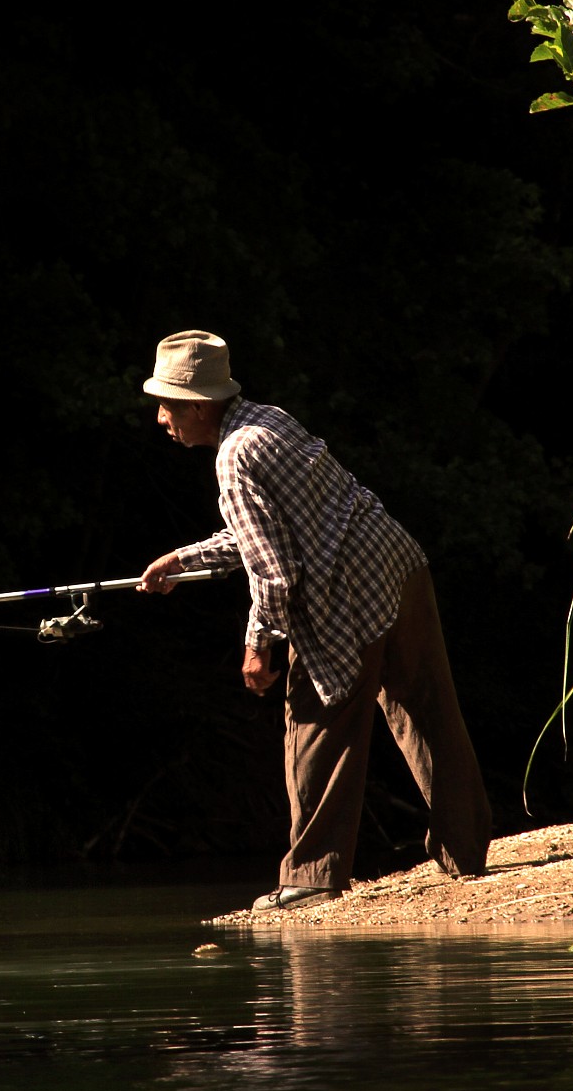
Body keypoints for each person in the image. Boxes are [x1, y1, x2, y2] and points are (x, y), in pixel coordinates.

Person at [135, 329, 492, 910]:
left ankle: (310, 878)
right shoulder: (268, 421)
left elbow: (275, 570)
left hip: (346, 593)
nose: (161, 418)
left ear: (199, 406)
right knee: (426, 707)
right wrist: (183, 560)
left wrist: (258, 644)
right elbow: (272, 533)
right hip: (399, 565)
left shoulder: (231, 458)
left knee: (315, 728)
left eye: (168, 405)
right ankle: (466, 850)